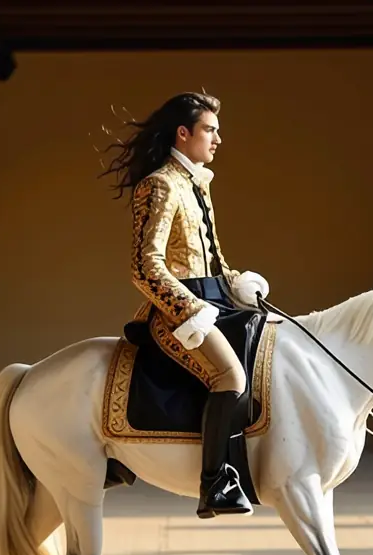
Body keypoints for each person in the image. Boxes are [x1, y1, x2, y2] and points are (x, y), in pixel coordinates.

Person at [101, 91, 271, 519]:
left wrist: (237, 281)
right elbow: (145, 267)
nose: (218, 139)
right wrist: (189, 308)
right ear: (183, 133)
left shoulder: (195, 183)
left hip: (216, 300)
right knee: (230, 375)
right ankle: (214, 483)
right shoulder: (159, 184)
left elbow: (211, 257)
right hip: (178, 312)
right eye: (210, 130)